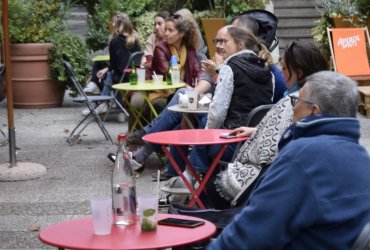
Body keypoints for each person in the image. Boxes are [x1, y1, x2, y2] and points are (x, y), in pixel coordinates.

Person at [207, 71, 370, 249]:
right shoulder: (360, 156)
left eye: (298, 100)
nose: (293, 107)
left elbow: (251, 234)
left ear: (313, 111)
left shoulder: (303, 157)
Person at [132, 26, 274, 178]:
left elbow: (217, 114)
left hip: (231, 137)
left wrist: (205, 137)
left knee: (193, 123)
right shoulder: (265, 69)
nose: (220, 45)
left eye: (225, 41)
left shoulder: (229, 67)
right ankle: (178, 177)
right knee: (182, 126)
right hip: (253, 137)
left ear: (239, 45)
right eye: (217, 41)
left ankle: (186, 178)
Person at [203, 40, 329, 209]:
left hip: (273, 177)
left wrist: (255, 141)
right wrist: (256, 130)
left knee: (211, 186)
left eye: (284, 68)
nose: (282, 73)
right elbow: (290, 130)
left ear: (298, 72)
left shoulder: (295, 101)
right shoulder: (327, 96)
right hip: (303, 174)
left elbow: (266, 152)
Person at [89, 12, 142, 116]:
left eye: (113, 23)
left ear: (118, 26)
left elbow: (113, 64)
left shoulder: (115, 42)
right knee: (113, 73)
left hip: (122, 78)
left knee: (112, 74)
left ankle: (106, 102)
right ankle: (116, 109)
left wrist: (107, 69)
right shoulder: (135, 40)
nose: (111, 25)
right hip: (136, 76)